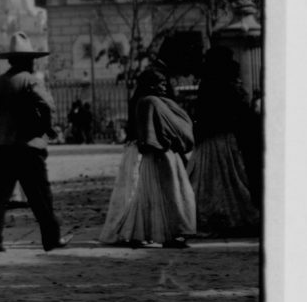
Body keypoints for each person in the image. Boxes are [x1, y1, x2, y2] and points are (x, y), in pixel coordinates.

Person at [100, 65, 198, 249]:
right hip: (157, 154)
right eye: (159, 83)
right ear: (150, 85)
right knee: (166, 195)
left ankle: (148, 232)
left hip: (162, 153)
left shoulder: (154, 101)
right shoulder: (149, 102)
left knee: (152, 195)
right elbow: (149, 134)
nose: (163, 87)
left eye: (163, 83)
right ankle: (170, 233)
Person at [0, 32, 64, 254]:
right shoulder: (31, 80)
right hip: (27, 146)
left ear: (10, 60)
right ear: (27, 60)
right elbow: (48, 106)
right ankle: (51, 239)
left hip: (0, 146)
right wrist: (46, 129)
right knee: (40, 196)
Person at [189, 46, 260, 236]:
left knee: (208, 179)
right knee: (231, 176)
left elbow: (201, 114)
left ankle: (210, 216)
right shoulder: (228, 84)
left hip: (208, 138)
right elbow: (240, 111)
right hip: (224, 138)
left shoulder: (207, 83)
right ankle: (230, 216)